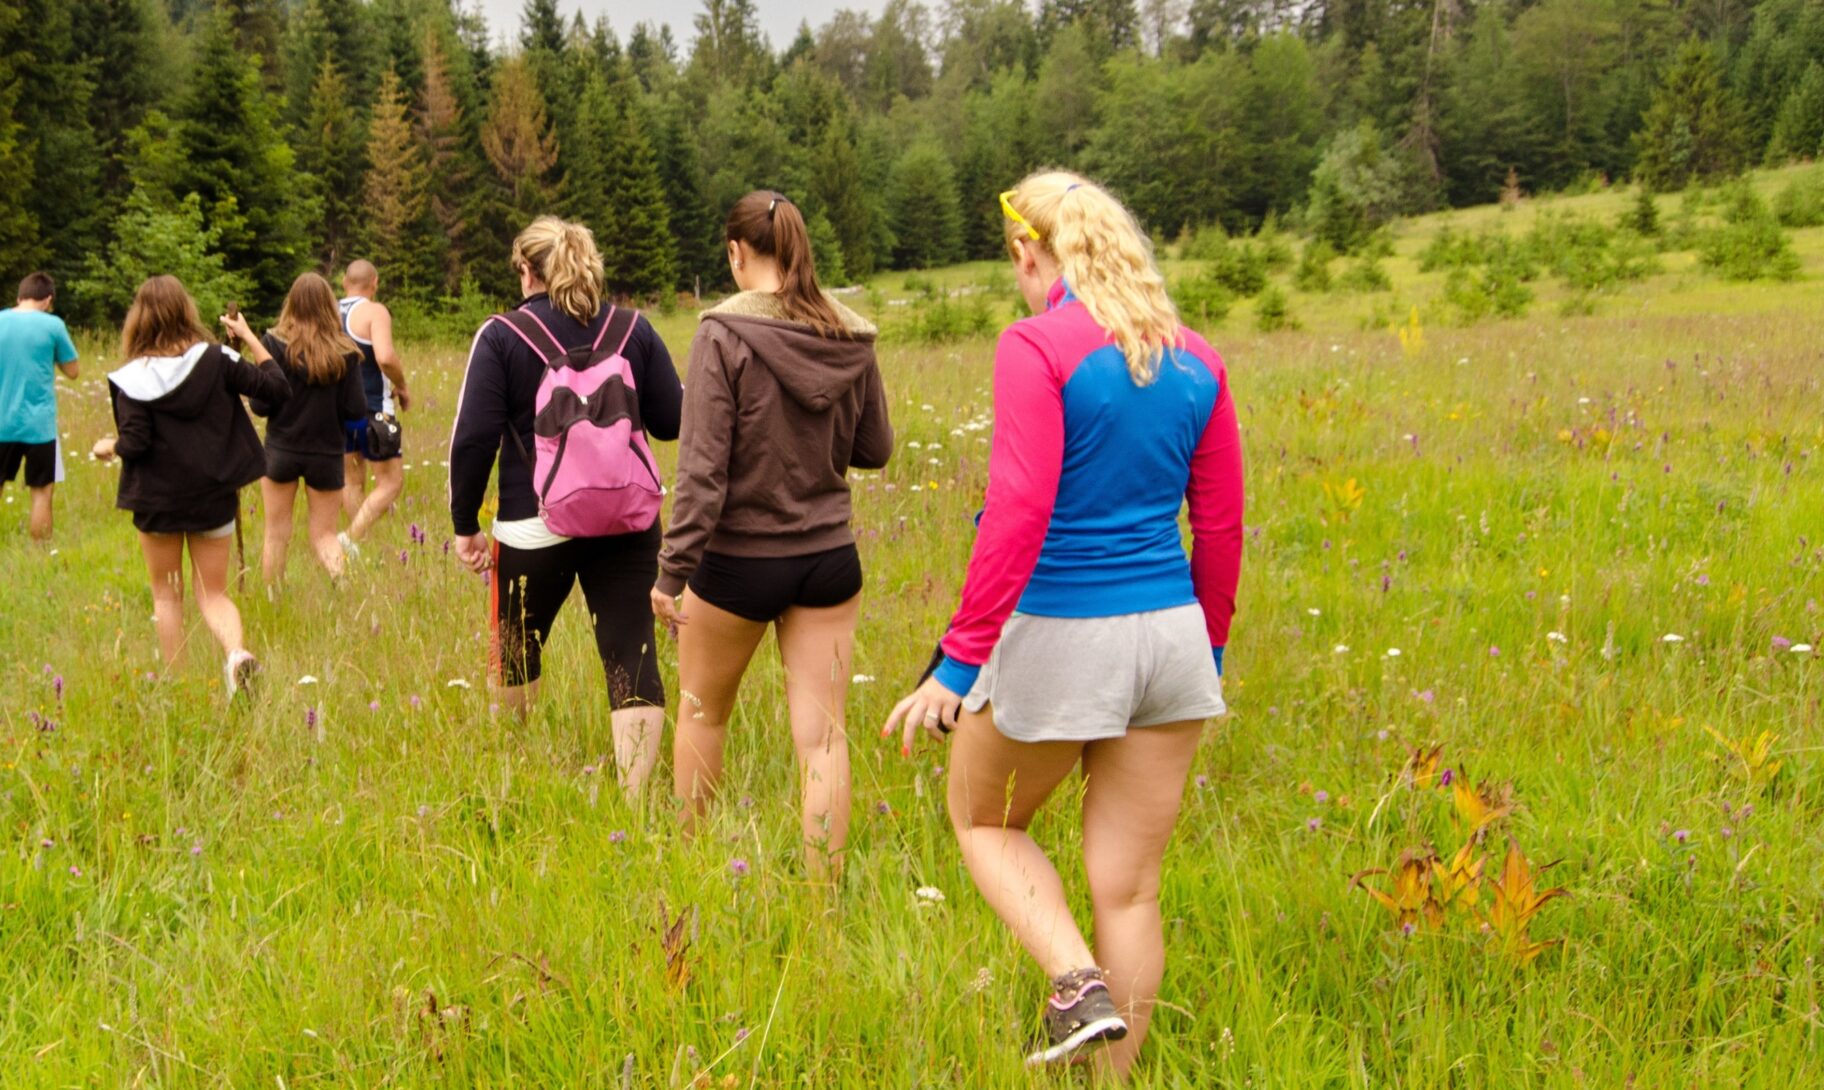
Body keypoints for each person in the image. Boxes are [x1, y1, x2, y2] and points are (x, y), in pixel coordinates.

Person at [880, 171, 1243, 1071]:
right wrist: (1212, 649)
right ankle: (1112, 1070)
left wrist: (958, 665)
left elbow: (1018, 509)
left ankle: (1074, 981)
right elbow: (1223, 523)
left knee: (985, 824)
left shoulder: (1036, 347)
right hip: (1172, 636)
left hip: (1063, 631)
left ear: (1028, 250)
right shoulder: (1195, 356)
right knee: (1129, 890)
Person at [653, 191, 891, 879]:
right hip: (828, 558)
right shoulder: (850, 333)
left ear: (735, 253)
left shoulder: (721, 335)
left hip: (735, 564)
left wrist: (670, 576)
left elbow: (702, 475)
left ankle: (693, 870)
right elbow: (875, 446)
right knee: (822, 742)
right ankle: (824, 899)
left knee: (703, 717)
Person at [449, 216, 682, 802]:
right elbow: (673, 421)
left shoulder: (501, 335)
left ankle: (516, 767)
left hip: (534, 522)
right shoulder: (635, 329)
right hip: (628, 520)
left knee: (516, 649)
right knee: (632, 650)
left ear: (526, 270)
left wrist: (464, 526)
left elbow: (473, 437)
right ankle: (636, 803)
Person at [89, 275, 290, 697]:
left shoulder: (131, 378)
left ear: (137, 320)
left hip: (157, 502)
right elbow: (275, 389)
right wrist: (250, 337)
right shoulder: (218, 359)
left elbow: (137, 442)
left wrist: (110, 446)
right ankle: (236, 655)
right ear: (187, 312)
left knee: (167, 595)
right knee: (213, 592)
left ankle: (178, 687)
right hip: (212, 496)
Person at [240, 271, 368, 582]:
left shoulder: (273, 343)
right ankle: (343, 585)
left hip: (280, 450)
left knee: (276, 534)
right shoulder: (345, 351)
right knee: (324, 535)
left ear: (291, 304)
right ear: (329, 306)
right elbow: (355, 410)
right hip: (325, 453)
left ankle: (273, 599)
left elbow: (260, 405)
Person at [0, 272, 81, 575]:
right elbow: (74, 370)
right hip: (40, 427)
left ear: (19, 296)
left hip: (0, 424)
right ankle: (38, 558)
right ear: (48, 299)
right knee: (41, 492)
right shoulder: (53, 326)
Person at [337, 260, 412, 553]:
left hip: (339, 411)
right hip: (373, 410)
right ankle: (350, 539)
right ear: (375, 283)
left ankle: (358, 547)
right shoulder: (374, 311)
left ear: (345, 281)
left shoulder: (328, 311)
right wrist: (402, 386)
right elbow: (385, 357)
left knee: (351, 480)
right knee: (391, 483)